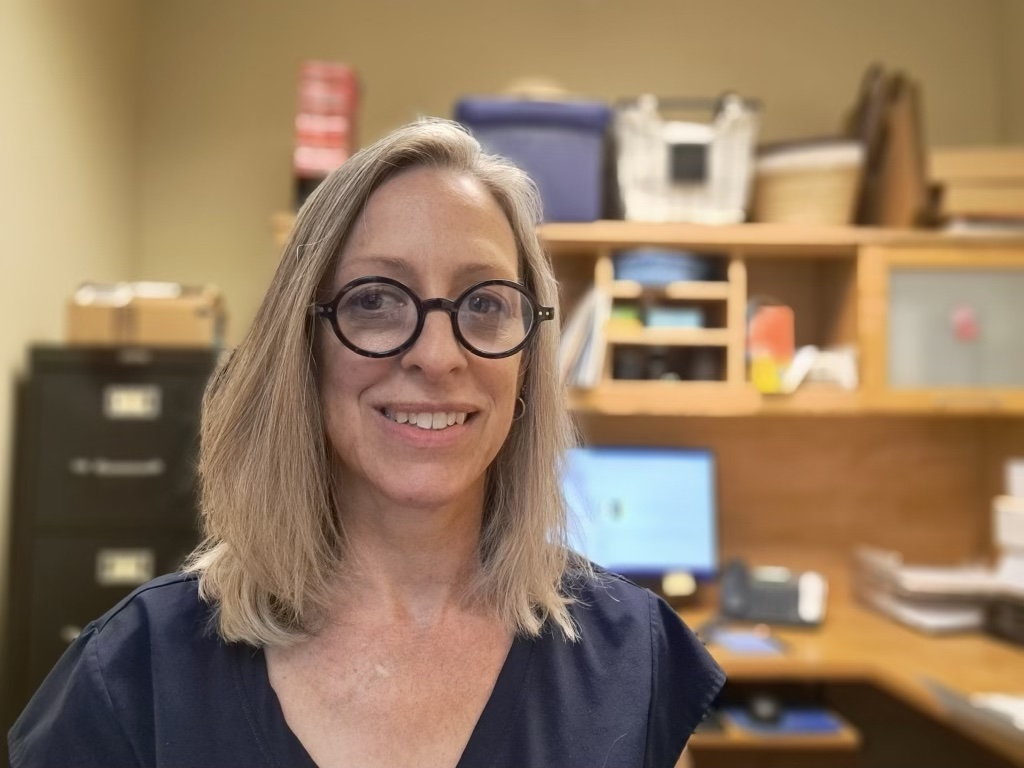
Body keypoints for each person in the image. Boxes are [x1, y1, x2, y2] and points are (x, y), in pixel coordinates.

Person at [9, 118, 724, 768]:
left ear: (528, 360)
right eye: (375, 300)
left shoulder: (635, 661)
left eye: (484, 304)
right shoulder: (136, 674)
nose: (438, 356)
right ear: (303, 347)